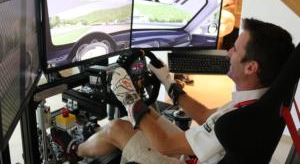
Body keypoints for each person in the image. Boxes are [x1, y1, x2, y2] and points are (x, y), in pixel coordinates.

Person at [52, 18, 295, 163]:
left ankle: (74, 150)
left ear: (251, 67)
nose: (228, 52)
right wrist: (169, 84)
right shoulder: (258, 101)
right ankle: (94, 139)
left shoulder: (238, 122)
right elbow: (206, 116)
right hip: (205, 153)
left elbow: (166, 145)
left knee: (117, 126)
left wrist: (129, 97)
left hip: (191, 158)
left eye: (235, 49)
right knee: (150, 112)